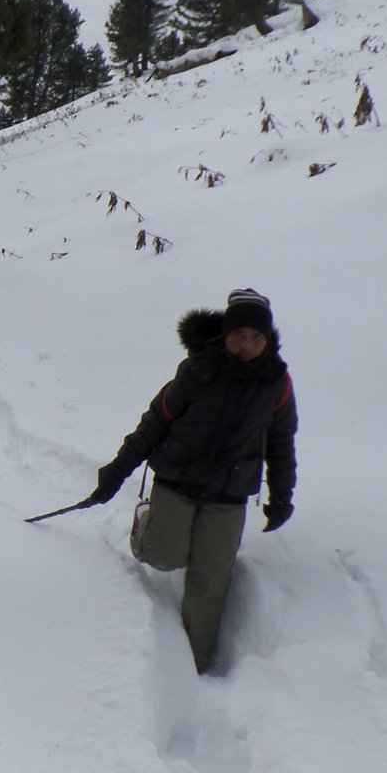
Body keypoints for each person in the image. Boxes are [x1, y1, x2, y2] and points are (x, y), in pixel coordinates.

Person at [86, 288, 297, 674]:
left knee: (209, 580)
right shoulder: (198, 371)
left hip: (229, 493)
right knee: (165, 557)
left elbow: (281, 443)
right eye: (238, 335)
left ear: (267, 340)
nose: (246, 345)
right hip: (177, 481)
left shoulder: (276, 384)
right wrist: (118, 469)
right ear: (225, 334)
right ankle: (145, 525)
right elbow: (156, 421)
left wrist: (282, 496)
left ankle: (194, 668)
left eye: (255, 337)